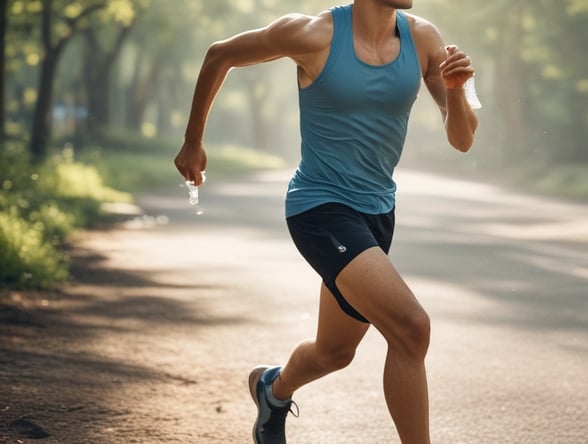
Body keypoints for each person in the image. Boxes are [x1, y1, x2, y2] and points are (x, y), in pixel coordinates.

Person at [174, 0, 478, 442]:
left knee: (335, 352)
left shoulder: (424, 39)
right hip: (319, 208)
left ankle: (272, 389)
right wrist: (192, 141)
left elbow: (462, 139)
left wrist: (456, 90)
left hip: (377, 213)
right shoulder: (313, 35)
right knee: (411, 329)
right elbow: (220, 54)